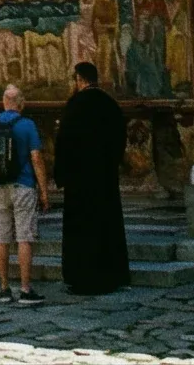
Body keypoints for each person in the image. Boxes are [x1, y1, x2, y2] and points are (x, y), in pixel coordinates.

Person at [54, 61, 130, 295]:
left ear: (79, 79)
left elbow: (63, 142)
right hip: (104, 178)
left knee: (82, 228)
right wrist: (110, 163)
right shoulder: (110, 105)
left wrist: (62, 173)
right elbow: (120, 137)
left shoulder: (75, 106)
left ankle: (83, 277)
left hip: (80, 181)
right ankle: (112, 275)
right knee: (107, 224)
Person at [0, 83, 50, 305]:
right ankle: (26, 290)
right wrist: (44, 191)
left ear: (3, 102)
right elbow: (36, 158)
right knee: (24, 238)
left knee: (1, 239)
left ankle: (4, 289)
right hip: (23, 186)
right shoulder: (27, 125)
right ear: (21, 104)